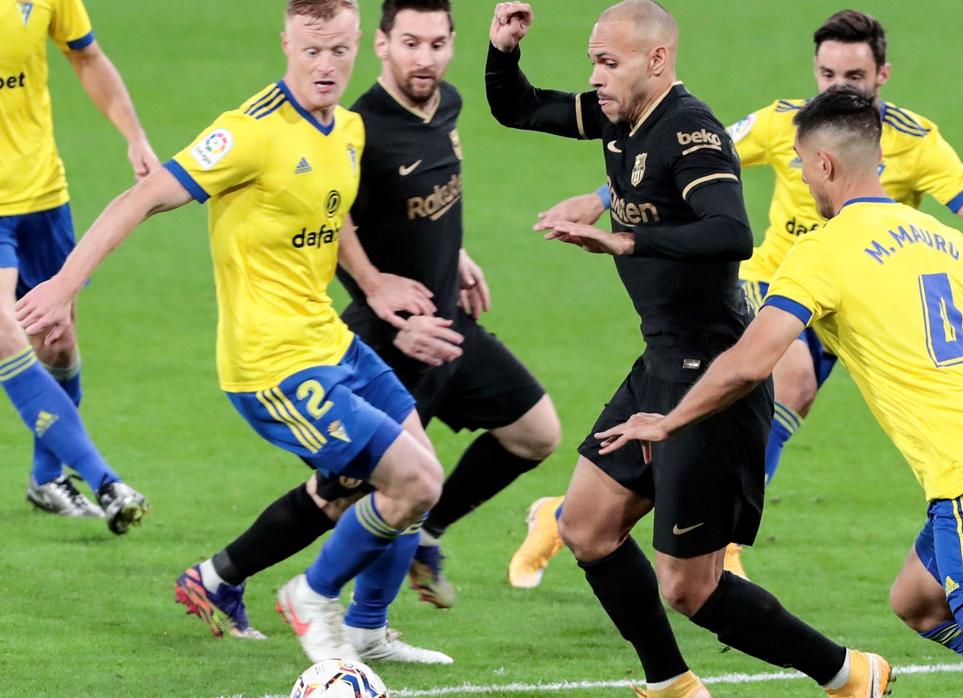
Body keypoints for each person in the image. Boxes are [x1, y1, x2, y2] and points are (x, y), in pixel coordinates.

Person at [597, 86, 963, 698]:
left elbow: (749, 363)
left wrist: (667, 422)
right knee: (918, 603)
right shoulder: (944, 240)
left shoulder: (821, 251)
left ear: (824, 165)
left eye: (800, 163)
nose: (799, 174)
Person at [512, 8, 963, 583]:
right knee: (789, 380)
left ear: (882, 76)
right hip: (775, 286)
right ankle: (720, 543)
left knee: (764, 410)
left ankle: (565, 513)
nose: (836, 88)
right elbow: (689, 151)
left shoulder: (916, 142)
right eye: (826, 75)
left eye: (852, 77)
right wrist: (604, 196)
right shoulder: (785, 123)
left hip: (850, 302)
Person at [17, 0, 447, 665]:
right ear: (285, 43)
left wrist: (374, 282)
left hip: (329, 342)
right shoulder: (247, 133)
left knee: (419, 483)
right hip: (272, 365)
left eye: (339, 50)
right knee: (409, 484)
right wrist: (63, 285)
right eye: (311, 51)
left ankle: (361, 628)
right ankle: (313, 598)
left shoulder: (349, 129)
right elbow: (141, 197)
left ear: (361, 42)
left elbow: (331, 222)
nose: (326, 66)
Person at [486, 3, 890, 697]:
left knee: (690, 587)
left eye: (607, 63)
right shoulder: (618, 115)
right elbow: (517, 108)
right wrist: (503, 49)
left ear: (656, 60)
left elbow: (729, 233)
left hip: (712, 371)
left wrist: (625, 237)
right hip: (660, 360)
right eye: (592, 61)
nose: (594, 77)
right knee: (584, 527)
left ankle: (849, 674)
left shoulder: (693, 133)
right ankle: (671, 684)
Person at [172, 0, 560, 649]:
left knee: (529, 434)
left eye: (437, 43)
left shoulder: (445, 108)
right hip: (390, 336)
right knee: (356, 493)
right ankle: (237, 580)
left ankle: (410, 559)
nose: (424, 57)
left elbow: (392, 212)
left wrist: (452, 253)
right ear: (380, 45)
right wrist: (382, 301)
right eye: (410, 42)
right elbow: (333, 226)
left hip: (447, 324)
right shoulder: (360, 126)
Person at [1, 0, 156, 531]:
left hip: (41, 194)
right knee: (6, 331)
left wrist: (133, 134)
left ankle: (47, 476)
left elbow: (86, 57)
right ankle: (105, 479)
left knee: (58, 341)